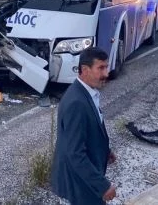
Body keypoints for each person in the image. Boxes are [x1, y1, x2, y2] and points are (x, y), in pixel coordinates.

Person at [51, 47, 116, 205]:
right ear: (85, 70)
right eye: (101, 68)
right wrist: (102, 186)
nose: (106, 74)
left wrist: (105, 151)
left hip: (83, 178)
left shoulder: (87, 92)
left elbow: (91, 128)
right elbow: (75, 153)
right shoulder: (77, 103)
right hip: (77, 184)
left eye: (106, 67)